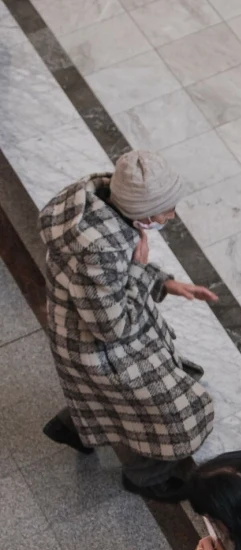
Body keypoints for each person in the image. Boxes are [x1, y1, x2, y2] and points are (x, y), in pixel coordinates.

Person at [38, 149, 219, 503]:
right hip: (97, 347)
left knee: (106, 398)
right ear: (141, 212)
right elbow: (112, 326)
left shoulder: (95, 205)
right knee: (176, 415)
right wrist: (140, 266)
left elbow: (106, 280)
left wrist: (163, 282)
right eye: (166, 210)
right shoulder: (102, 249)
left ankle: (72, 428)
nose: (171, 215)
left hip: (77, 328)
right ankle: (145, 476)